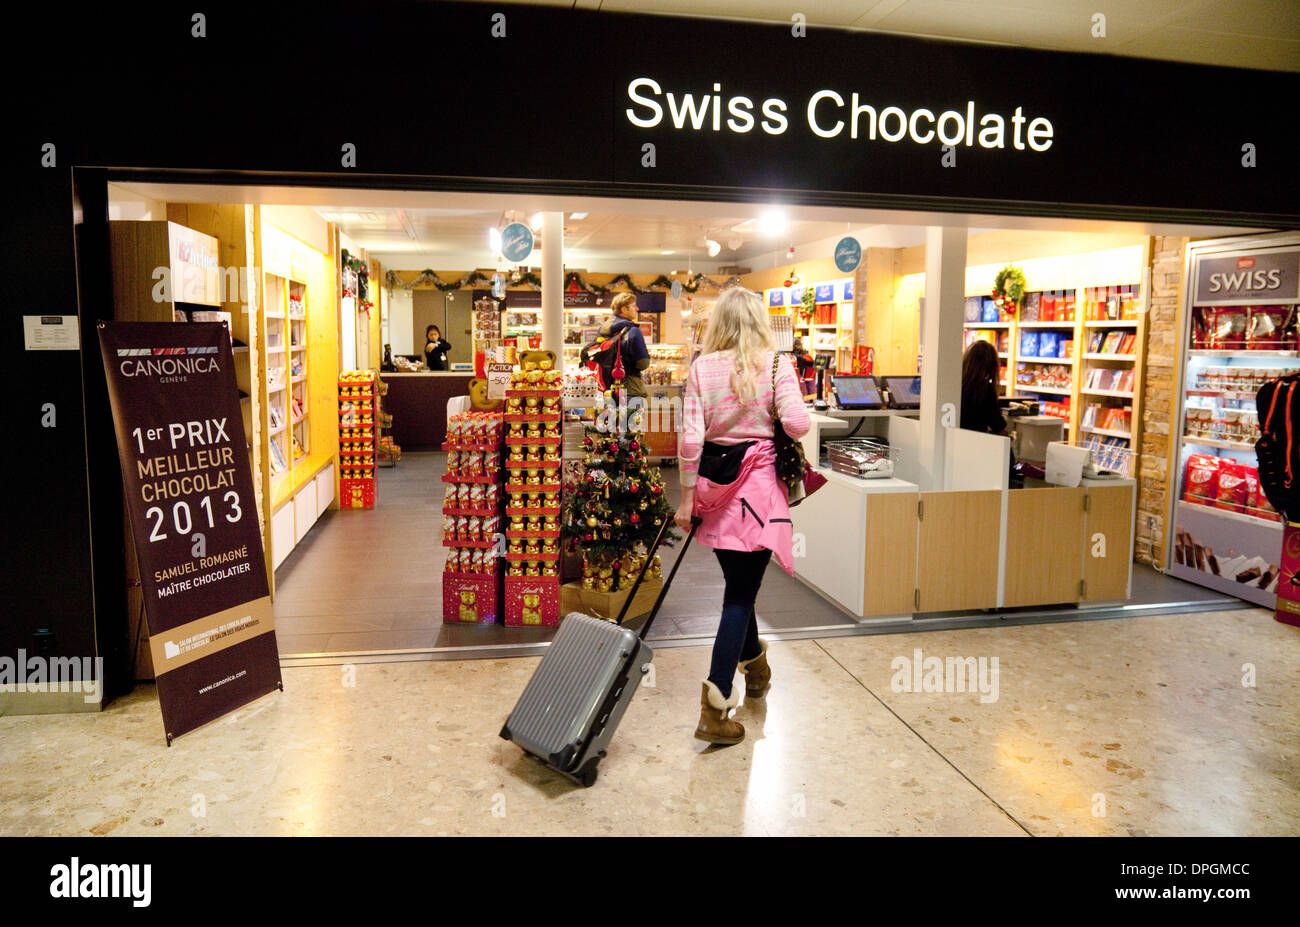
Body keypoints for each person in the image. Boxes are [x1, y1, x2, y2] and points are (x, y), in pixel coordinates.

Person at [675, 287, 810, 746]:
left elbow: (691, 439)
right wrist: (780, 408)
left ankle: (755, 667)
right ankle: (714, 706)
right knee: (740, 595)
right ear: (758, 321)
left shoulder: (701, 368)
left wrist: (686, 496)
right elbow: (798, 424)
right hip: (758, 496)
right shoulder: (775, 364)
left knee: (739, 586)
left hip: (715, 492)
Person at [595, 292, 651, 398]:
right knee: (630, 415)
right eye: (634, 306)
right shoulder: (633, 331)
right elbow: (643, 363)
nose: (637, 308)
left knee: (610, 415)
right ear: (624, 309)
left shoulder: (602, 330)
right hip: (630, 390)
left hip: (605, 389)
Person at [960, 340, 1006, 435]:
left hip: (955, 441)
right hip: (977, 442)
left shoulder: (957, 384)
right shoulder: (984, 390)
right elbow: (997, 425)